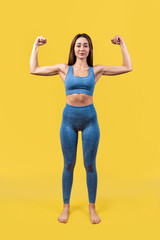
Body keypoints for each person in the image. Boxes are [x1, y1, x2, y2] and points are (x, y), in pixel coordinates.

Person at [30, 33, 133, 224]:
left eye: (85, 45)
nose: (82, 49)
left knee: (90, 165)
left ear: (89, 49)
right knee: (69, 164)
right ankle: (66, 207)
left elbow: (128, 67)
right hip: (68, 120)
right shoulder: (63, 69)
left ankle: (92, 207)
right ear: (73, 49)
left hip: (89, 121)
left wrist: (122, 45)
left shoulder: (97, 70)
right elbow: (33, 69)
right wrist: (36, 45)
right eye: (78, 45)